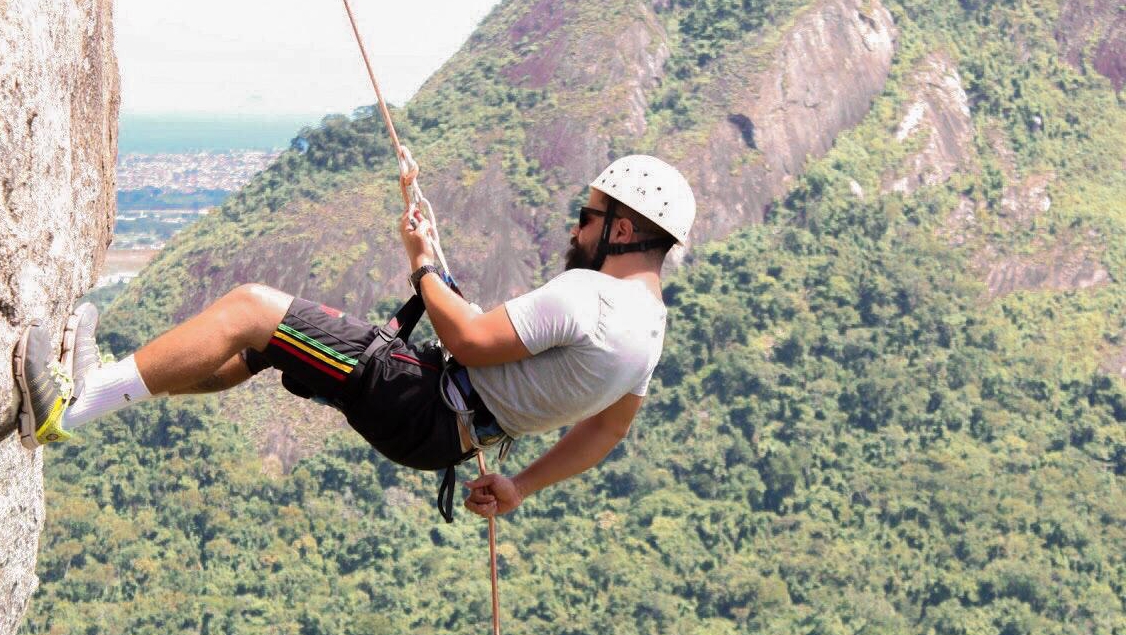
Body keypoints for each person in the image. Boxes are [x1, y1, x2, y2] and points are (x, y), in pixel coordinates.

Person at [13, 154, 696, 521]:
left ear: (624, 228)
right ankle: (117, 386)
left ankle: (75, 402)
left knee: (254, 307)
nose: (576, 229)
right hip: (445, 433)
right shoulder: (649, 331)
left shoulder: (590, 296)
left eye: (588, 216)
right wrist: (520, 484)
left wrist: (422, 262)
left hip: (420, 396)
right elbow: (606, 432)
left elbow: (474, 338)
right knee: (263, 347)